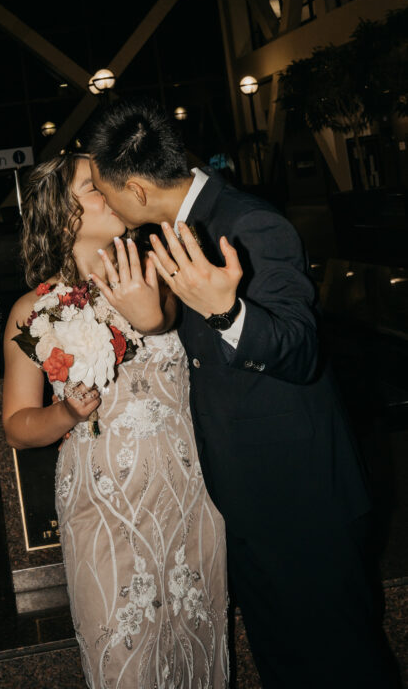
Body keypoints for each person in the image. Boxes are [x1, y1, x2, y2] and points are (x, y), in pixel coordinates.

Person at [86, 97, 398, 689]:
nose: (103, 202)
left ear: (137, 188)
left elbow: (302, 350)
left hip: (304, 503)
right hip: (254, 502)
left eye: (104, 190)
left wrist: (229, 312)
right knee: (288, 667)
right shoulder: (175, 230)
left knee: (343, 667)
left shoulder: (251, 222)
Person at [2, 153, 229, 689]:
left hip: (190, 496)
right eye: (92, 186)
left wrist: (155, 311)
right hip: (103, 508)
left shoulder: (166, 273)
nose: (111, 188)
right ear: (63, 217)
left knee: (201, 653)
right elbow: (16, 424)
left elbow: (181, 329)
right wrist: (64, 412)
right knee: (122, 665)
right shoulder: (33, 311)